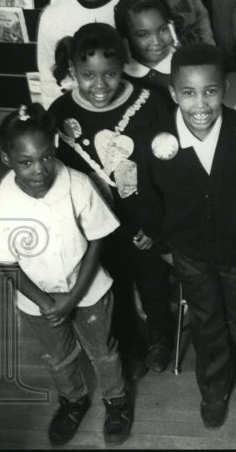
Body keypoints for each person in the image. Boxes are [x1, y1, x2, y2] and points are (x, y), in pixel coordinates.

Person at [134, 44, 236, 430]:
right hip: (191, 255)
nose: (201, 103)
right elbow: (150, 201)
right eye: (188, 93)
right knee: (207, 323)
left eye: (211, 91)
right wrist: (165, 246)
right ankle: (214, 387)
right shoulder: (155, 141)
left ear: (226, 88)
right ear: (173, 93)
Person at [0, 104, 132, 446]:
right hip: (38, 302)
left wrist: (74, 297)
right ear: (7, 159)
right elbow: (7, 264)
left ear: (55, 148)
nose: (39, 170)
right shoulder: (0, 206)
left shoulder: (77, 184)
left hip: (89, 291)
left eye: (46, 157)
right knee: (58, 357)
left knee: (102, 350)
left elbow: (96, 239)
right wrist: (48, 303)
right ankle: (73, 400)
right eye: (26, 162)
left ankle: (117, 401)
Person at [48, 23, 173, 381]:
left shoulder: (150, 103)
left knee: (152, 280)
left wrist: (156, 225)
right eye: (88, 75)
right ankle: (129, 344)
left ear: (123, 66)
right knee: (112, 284)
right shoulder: (60, 111)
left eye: (110, 74)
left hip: (144, 220)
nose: (100, 85)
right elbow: (62, 175)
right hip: (96, 226)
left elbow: (167, 170)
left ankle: (160, 337)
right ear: (73, 71)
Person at [36, 0, 131, 108]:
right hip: (78, 108)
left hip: (130, 101)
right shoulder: (52, 17)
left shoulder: (133, 6)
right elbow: (49, 79)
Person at [114, 0, 177, 101]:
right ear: (126, 38)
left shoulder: (186, 68)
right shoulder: (120, 76)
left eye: (163, 29)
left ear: (171, 25)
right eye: (143, 35)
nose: (156, 41)